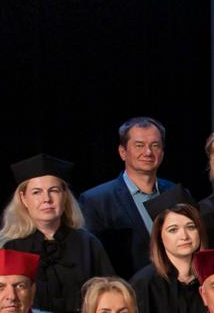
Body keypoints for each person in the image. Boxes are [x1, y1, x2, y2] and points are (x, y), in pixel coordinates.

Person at [0, 152, 118, 313]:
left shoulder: (88, 244)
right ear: (23, 198)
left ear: (65, 195)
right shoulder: (6, 248)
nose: (46, 199)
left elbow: (110, 298)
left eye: (53, 191)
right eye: (36, 192)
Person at [79, 116, 188, 272]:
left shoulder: (177, 193)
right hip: (126, 285)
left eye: (155, 145)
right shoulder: (96, 201)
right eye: (139, 145)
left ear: (162, 152)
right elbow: (92, 260)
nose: (148, 152)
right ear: (122, 152)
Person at [128, 202, 209, 313]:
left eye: (191, 227)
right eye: (173, 230)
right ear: (159, 236)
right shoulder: (144, 284)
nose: (184, 236)